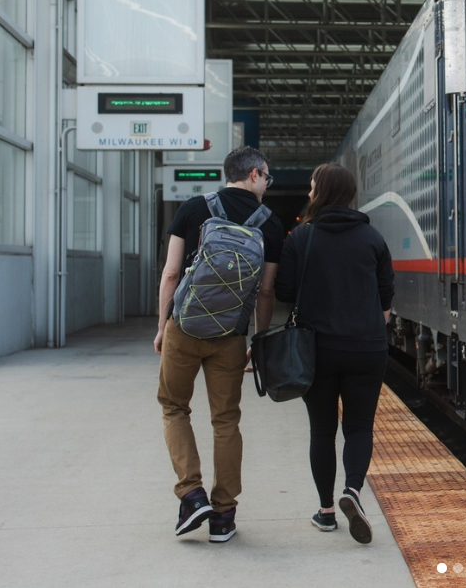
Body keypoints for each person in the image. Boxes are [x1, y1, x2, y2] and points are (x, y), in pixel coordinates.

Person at [155, 146, 285, 543]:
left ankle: (192, 495)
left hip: (185, 327)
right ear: (255, 174)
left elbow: (172, 273)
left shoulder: (194, 208)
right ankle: (224, 516)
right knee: (225, 420)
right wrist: (258, 340)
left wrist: (163, 326)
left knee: (175, 407)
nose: (267, 183)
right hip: (230, 335)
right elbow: (266, 293)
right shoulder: (271, 225)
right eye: (267, 177)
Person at [275, 162, 395, 544]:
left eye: (312, 187)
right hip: (367, 348)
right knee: (359, 427)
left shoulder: (301, 237)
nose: (308, 193)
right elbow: (386, 301)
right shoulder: (373, 238)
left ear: (321, 192)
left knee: (322, 430)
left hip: (318, 350)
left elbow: (284, 294)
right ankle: (353, 491)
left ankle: (326, 512)